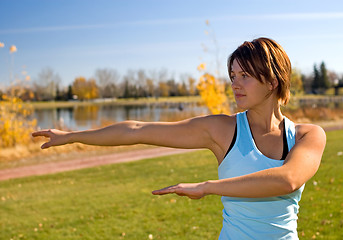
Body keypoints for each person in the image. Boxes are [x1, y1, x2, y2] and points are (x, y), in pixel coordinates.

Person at [32, 37, 326, 239]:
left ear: (272, 81)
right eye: (232, 76)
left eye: (245, 76)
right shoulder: (221, 130)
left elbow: (287, 179)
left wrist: (207, 187)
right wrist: (71, 136)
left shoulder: (308, 135)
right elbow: (137, 130)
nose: (235, 84)